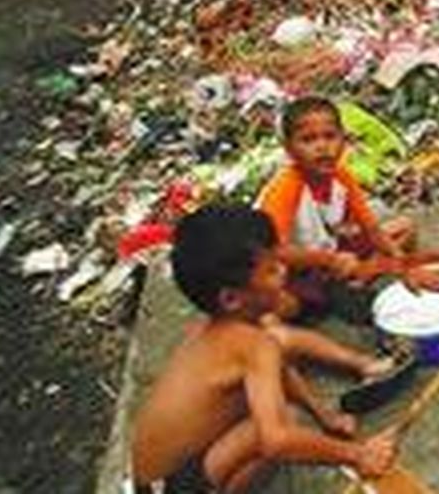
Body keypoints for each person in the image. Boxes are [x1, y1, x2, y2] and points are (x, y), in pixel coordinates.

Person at [130, 205, 397, 493]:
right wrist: (359, 455)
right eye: (271, 269)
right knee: (279, 424)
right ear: (231, 299)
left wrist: (324, 415)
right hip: (170, 488)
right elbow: (276, 441)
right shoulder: (254, 345)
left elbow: (278, 367)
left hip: (147, 481)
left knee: (274, 403)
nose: (283, 272)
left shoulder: (221, 330)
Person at [257, 96, 439, 315]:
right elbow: (274, 251)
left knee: (405, 228)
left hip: (329, 254)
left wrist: (405, 267)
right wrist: (329, 259)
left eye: (330, 137)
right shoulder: (286, 187)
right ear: (289, 149)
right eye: (308, 140)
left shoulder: (341, 176)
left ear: (343, 141)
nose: (322, 147)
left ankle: (351, 282)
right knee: (280, 306)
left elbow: (372, 229)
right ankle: (333, 290)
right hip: (295, 269)